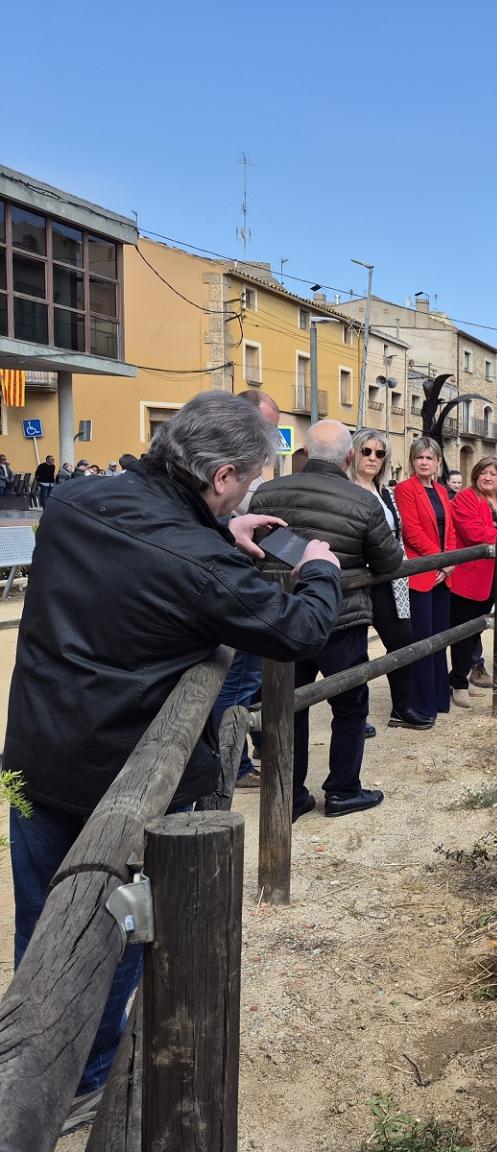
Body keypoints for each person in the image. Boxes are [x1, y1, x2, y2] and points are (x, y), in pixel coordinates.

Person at [6, 391, 340, 1133]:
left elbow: (143, 554)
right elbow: (300, 630)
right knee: (120, 932)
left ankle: (28, 1069)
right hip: (123, 780)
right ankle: (87, 1079)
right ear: (222, 476)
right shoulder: (197, 561)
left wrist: (220, 530)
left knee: (41, 927)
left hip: (34, 754)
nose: (249, 493)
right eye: (247, 482)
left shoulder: (74, 503)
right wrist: (317, 566)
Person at [253, 420, 403, 818]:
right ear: (350, 456)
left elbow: (260, 547)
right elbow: (389, 561)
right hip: (342, 616)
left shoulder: (267, 493)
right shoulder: (363, 502)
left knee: (289, 706)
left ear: (305, 452)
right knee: (350, 706)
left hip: (284, 616)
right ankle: (342, 790)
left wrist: (299, 556)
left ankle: (289, 795)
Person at [211, 387, 283, 789]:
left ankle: (238, 759)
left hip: (247, 585)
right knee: (237, 682)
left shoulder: (248, 470)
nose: (269, 438)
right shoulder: (234, 472)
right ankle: (232, 767)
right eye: (265, 427)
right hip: (236, 591)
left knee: (245, 681)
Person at [349, 429, 435, 731]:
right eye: (367, 451)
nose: (373, 458)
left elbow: (397, 534)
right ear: (354, 453)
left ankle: (401, 708)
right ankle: (354, 717)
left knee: (401, 640)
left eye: (380, 453)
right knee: (354, 650)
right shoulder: (344, 489)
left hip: (390, 577)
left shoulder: (384, 491)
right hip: (356, 579)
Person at [447, 456, 497, 704]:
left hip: (495, 576)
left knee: (477, 631)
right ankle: (458, 683)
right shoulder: (466, 497)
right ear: (476, 475)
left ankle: (463, 675)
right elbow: (473, 532)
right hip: (470, 575)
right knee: (464, 632)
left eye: (493, 473)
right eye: (483, 472)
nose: (488, 477)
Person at [395, 436, 459, 717]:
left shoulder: (442, 491)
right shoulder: (405, 489)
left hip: (443, 574)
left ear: (438, 462)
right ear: (412, 461)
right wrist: (439, 561)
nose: (424, 462)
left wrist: (449, 562)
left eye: (429, 458)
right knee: (422, 638)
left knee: (440, 636)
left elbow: (451, 530)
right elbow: (412, 532)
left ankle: (439, 697)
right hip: (422, 573)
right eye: (419, 457)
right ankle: (423, 703)